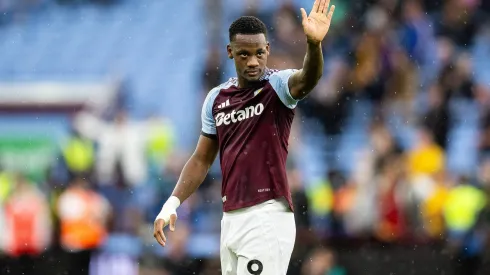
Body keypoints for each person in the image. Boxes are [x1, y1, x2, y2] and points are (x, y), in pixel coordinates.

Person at [153, 1, 336, 274]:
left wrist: (313, 45)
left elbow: (308, 78)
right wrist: (172, 202)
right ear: (230, 52)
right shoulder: (216, 99)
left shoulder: (278, 86)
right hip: (231, 219)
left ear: (267, 51)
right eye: (244, 54)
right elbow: (201, 159)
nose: (253, 61)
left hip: (266, 216)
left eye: (259, 53)